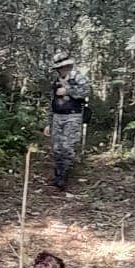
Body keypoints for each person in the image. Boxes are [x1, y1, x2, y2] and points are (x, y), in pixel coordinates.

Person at [44, 50, 90, 190]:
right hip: (57, 116)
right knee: (57, 148)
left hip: (72, 116)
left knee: (67, 147)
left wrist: (68, 90)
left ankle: (64, 177)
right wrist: (48, 123)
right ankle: (58, 176)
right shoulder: (56, 81)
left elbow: (86, 92)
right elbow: (52, 102)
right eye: (58, 68)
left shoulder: (78, 77)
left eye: (62, 67)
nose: (60, 70)